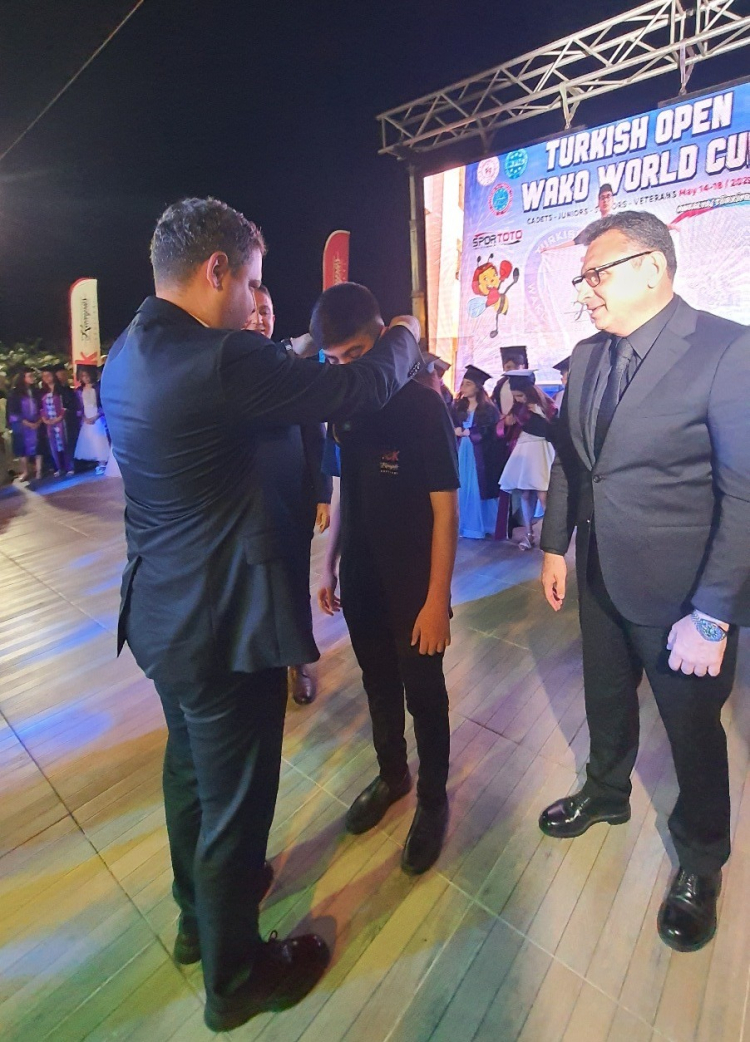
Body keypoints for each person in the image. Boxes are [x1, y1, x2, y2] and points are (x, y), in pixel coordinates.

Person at [100, 197, 422, 1032]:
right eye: (251, 282)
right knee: (236, 804)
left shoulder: (130, 350)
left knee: (189, 778)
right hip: (223, 624)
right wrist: (405, 333)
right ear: (217, 271)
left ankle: (195, 921)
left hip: (162, 613)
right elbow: (355, 385)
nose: (254, 300)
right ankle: (236, 976)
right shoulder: (222, 358)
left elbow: (268, 389)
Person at [539, 210, 750, 954]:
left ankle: (701, 860)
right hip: (599, 572)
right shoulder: (587, 354)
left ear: (652, 267)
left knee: (693, 735)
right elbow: (572, 461)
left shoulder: (727, 349)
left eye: (594, 275)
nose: (583, 293)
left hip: (683, 598)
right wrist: (555, 547)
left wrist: (714, 614)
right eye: (581, 280)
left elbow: (744, 495)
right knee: (605, 700)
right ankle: (606, 792)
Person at [315, 282, 459, 875]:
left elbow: (446, 511)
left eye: (355, 354)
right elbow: (345, 491)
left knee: (424, 694)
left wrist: (436, 600)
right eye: (335, 361)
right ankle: (393, 776)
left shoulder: (424, 405)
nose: (348, 369)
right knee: (377, 684)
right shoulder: (346, 407)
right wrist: (328, 561)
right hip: (363, 577)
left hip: (414, 582)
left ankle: (433, 800)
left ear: (381, 338)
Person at [246, 283, 332, 706]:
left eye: (266, 310)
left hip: (292, 499)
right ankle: (262, 663)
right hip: (244, 504)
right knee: (255, 586)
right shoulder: (227, 368)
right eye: (252, 310)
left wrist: (322, 493)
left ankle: (300, 663)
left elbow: (315, 435)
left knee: (293, 582)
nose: (260, 318)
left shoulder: (291, 366)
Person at [499, 373, 556, 550]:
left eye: (520, 395)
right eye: (515, 396)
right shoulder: (518, 409)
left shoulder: (547, 406)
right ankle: (528, 533)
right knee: (524, 493)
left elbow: (552, 427)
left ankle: (552, 536)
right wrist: (508, 421)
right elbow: (507, 427)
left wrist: (538, 412)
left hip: (541, 448)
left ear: (530, 392)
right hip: (525, 449)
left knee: (543, 493)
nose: (518, 399)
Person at [451, 365, 502, 539]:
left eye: (468, 384)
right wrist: (456, 430)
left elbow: (490, 432)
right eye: (463, 384)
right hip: (461, 450)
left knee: (477, 485)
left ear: (478, 387)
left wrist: (471, 432)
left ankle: (479, 525)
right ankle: (462, 524)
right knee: (462, 484)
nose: (463, 387)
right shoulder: (458, 407)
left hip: (479, 453)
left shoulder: (488, 409)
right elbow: (450, 423)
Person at [539, 183, 615, 253]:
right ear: (598, 202)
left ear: (613, 199)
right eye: (602, 197)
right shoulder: (594, 227)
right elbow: (574, 242)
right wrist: (551, 249)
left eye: (608, 196)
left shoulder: (618, 222)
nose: (605, 200)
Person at [7, 367, 43, 482]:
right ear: (23, 378)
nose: (32, 378)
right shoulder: (15, 393)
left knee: (39, 445)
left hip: (37, 422)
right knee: (22, 448)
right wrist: (27, 423)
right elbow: (13, 412)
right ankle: (25, 471)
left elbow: (41, 407)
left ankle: (39, 470)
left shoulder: (36, 391)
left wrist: (39, 421)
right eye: (30, 376)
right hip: (22, 425)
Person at [39, 367, 74, 476]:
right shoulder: (42, 392)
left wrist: (59, 418)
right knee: (53, 445)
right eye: (43, 376)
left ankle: (69, 466)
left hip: (61, 421)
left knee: (64, 442)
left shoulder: (61, 390)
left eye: (48, 375)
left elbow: (67, 406)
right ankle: (59, 467)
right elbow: (40, 408)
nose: (46, 378)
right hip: (49, 422)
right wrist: (45, 419)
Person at [75, 366, 110, 473]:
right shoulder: (79, 390)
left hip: (98, 416)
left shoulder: (98, 387)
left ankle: (102, 462)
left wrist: (97, 416)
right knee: (90, 440)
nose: (85, 378)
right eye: (83, 376)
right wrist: (84, 417)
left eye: (87, 375)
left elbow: (103, 403)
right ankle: (97, 462)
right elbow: (78, 406)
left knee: (100, 439)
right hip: (86, 417)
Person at [53, 363, 81, 462]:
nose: (64, 376)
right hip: (63, 419)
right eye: (62, 374)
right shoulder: (56, 390)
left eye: (65, 374)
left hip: (72, 417)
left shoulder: (67, 388)